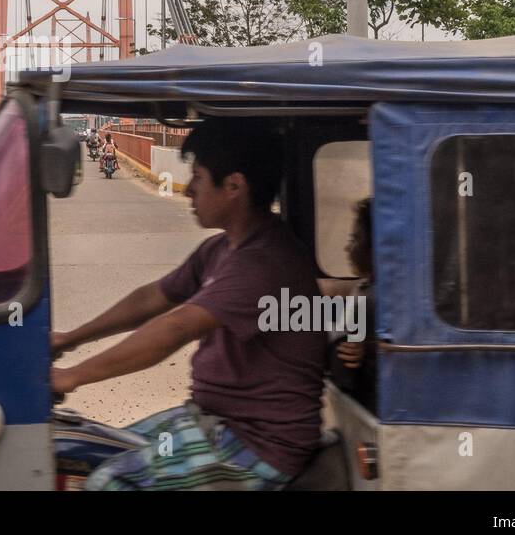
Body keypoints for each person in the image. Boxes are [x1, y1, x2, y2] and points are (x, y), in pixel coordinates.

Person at [50, 119, 328, 490]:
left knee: (107, 483)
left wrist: (74, 375)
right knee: (86, 453)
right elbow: (153, 298)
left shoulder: (264, 262)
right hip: (211, 419)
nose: (189, 191)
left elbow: (175, 328)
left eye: (197, 177)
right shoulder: (222, 249)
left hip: (256, 443)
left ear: (234, 186)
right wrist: (70, 338)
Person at [329, 198, 377, 411]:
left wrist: (367, 349)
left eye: (355, 238)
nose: (348, 248)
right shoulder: (365, 285)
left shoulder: (385, 296)